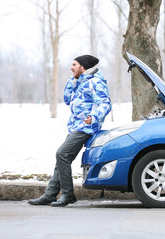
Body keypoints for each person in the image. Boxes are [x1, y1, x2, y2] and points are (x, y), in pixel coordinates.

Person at [28, 55, 112, 207]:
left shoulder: (95, 82)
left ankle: (68, 194)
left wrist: (93, 117)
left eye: (74, 65)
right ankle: (50, 194)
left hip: (86, 127)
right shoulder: (80, 82)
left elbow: (105, 104)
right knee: (62, 159)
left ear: (83, 67)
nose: (71, 68)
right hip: (77, 126)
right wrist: (73, 81)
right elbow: (67, 100)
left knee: (62, 154)